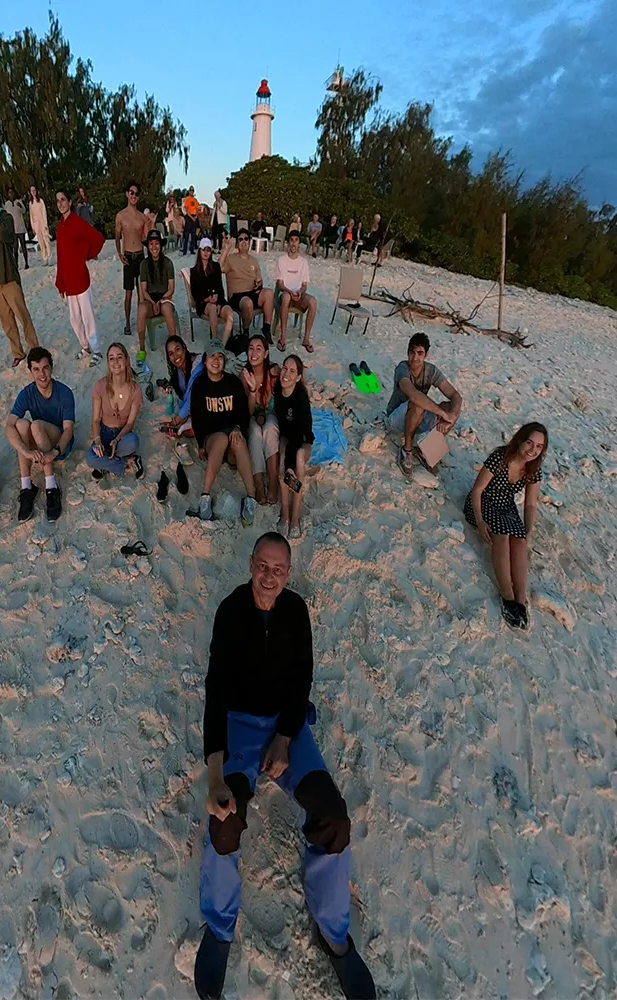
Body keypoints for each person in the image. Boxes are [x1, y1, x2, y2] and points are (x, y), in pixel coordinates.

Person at [193, 533, 375, 1000]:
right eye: (263, 566)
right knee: (225, 818)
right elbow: (216, 690)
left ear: (288, 574)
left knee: (333, 817)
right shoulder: (231, 613)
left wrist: (285, 738)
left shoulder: (295, 611)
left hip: (285, 727)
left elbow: (302, 680)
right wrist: (214, 771)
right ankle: (218, 929)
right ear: (251, 563)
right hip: (237, 725)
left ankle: (334, 934)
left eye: (279, 569)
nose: (270, 576)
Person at [465, 423, 548, 630]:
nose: (532, 450)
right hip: (483, 501)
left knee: (519, 541)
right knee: (501, 538)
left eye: (539, 446)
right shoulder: (500, 458)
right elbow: (477, 491)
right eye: (529, 442)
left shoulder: (533, 469)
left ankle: (520, 601)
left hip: (506, 505)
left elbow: (530, 503)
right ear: (520, 440)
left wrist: (528, 530)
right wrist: (481, 521)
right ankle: (507, 596)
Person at [4, 347, 75, 522]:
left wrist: (55, 451)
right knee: (20, 424)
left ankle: (51, 487)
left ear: (51, 368)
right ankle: (26, 487)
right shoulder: (27, 393)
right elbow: (8, 426)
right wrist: (26, 452)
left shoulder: (64, 393)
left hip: (59, 443)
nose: (42, 374)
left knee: (35, 425)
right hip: (40, 441)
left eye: (45, 368)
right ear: (30, 371)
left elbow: (68, 430)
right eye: (36, 369)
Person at [190, 345, 257, 524]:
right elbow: (196, 417)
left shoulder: (232, 382)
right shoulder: (199, 385)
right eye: (212, 356)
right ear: (205, 361)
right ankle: (205, 497)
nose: (216, 360)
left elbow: (243, 413)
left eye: (220, 357)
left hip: (231, 435)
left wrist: (237, 427)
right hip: (213, 438)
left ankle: (251, 499)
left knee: (238, 440)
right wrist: (201, 445)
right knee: (220, 439)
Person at [0, 181, 40, 365]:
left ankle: (34, 349)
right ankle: (18, 353)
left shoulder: (3, 216)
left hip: (9, 275)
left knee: (22, 315)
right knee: (6, 320)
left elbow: (4, 235)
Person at [387, 332, 464, 473]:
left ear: (426, 355)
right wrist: (441, 414)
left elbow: (455, 395)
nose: (415, 358)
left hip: (417, 416)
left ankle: (427, 450)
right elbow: (414, 395)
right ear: (407, 352)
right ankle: (407, 450)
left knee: (450, 407)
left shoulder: (431, 370)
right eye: (412, 352)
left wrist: (451, 416)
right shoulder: (402, 369)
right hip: (396, 417)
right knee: (418, 403)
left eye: (420, 353)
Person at [54, 190, 106, 363]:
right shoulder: (60, 227)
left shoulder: (77, 222)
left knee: (87, 317)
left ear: (70, 202)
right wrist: (59, 281)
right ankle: (85, 346)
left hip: (81, 279)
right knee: (75, 319)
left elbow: (98, 239)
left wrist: (86, 255)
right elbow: (60, 256)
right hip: (68, 281)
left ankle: (96, 349)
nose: (60, 203)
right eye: (58, 201)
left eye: (63, 200)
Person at [86, 342, 144, 479]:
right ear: (108, 362)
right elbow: (95, 420)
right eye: (111, 358)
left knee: (133, 441)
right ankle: (128, 461)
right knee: (90, 458)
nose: (116, 362)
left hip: (122, 434)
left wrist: (117, 439)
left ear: (126, 360)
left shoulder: (135, 390)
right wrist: (98, 441)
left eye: (119, 357)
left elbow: (130, 424)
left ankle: (105, 462)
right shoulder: (100, 386)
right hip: (104, 432)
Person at [274, 355, 315, 537]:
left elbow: (301, 433)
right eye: (285, 368)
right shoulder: (278, 389)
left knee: (297, 458)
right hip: (286, 435)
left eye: (292, 371)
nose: (286, 374)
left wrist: (291, 464)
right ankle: (285, 511)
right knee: (282, 460)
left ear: (298, 377)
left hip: (302, 440)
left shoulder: (300, 398)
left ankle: (296, 516)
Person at [240, 335, 280, 506]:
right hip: (252, 415)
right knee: (255, 431)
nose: (254, 352)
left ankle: (272, 480)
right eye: (250, 348)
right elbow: (248, 412)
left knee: (270, 427)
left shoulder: (274, 372)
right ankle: (258, 484)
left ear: (265, 353)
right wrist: (253, 390)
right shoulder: (244, 375)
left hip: (272, 414)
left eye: (258, 348)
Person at [222, 232, 275, 339]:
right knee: (248, 303)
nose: (244, 241)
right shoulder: (230, 259)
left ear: (250, 242)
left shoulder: (254, 261)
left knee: (269, 293)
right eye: (240, 239)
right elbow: (218, 268)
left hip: (252, 292)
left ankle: (266, 327)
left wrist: (259, 284)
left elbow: (259, 280)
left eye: (246, 239)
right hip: (237, 295)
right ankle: (246, 331)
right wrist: (226, 249)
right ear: (237, 244)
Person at [114, 180, 149, 343]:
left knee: (142, 293)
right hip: (128, 256)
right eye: (131, 192)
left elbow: (146, 238)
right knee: (128, 293)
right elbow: (117, 236)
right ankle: (127, 322)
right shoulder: (120, 216)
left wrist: (151, 224)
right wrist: (119, 253)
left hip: (140, 256)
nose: (134, 195)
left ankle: (140, 321)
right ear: (127, 194)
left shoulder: (142, 217)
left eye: (136, 193)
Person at [136, 229, 178, 357]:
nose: (154, 247)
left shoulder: (168, 263)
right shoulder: (144, 264)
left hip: (165, 297)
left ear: (161, 245)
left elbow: (171, 288)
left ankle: (174, 345)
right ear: (148, 246)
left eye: (157, 243)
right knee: (142, 309)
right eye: (151, 244)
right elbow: (143, 290)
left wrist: (160, 301)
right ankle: (142, 347)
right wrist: (153, 302)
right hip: (150, 298)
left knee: (166, 308)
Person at [274, 232, 317, 353]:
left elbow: (304, 285)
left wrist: (300, 292)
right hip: (286, 293)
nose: (294, 243)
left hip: (299, 294)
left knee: (313, 302)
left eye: (296, 240)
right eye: (291, 240)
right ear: (288, 243)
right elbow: (280, 284)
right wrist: (289, 291)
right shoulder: (281, 260)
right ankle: (283, 338)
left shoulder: (303, 262)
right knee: (287, 297)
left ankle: (306, 339)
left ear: (299, 243)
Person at [158, 335, 205, 439]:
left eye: (177, 349)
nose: (175, 356)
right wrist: (180, 418)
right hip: (194, 408)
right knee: (186, 429)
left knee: (191, 431)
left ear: (184, 347)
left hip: (208, 404)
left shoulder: (198, 366)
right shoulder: (179, 372)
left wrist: (176, 421)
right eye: (171, 354)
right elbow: (184, 398)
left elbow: (192, 399)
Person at [188, 239, 234, 343]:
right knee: (212, 308)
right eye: (203, 250)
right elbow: (194, 293)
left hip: (218, 300)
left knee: (230, 313)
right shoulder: (194, 271)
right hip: (203, 303)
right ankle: (214, 340)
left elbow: (220, 289)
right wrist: (207, 298)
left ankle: (223, 344)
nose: (205, 253)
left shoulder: (215, 267)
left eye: (208, 250)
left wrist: (218, 301)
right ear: (199, 251)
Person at [4, 187, 31, 269]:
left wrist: (20, 206)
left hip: (21, 228)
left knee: (23, 246)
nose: (11, 194)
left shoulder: (18, 201)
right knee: (15, 248)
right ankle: (16, 264)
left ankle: (26, 263)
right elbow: (6, 216)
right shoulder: (7, 204)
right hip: (13, 229)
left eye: (12, 192)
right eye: (9, 192)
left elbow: (24, 211)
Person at [28, 185, 53, 266]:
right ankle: (44, 258)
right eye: (31, 191)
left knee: (46, 240)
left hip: (42, 223)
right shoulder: (31, 203)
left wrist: (45, 224)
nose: (33, 192)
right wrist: (33, 227)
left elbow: (44, 212)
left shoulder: (40, 201)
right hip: (36, 224)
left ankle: (49, 257)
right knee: (41, 242)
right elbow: (31, 216)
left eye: (34, 190)